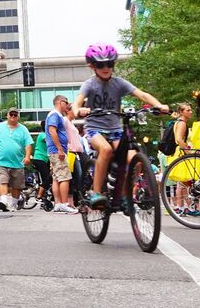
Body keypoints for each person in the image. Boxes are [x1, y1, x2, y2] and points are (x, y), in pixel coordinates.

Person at [72, 43, 167, 210]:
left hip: (115, 130)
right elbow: (77, 101)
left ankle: (125, 195)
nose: (106, 68)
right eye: (101, 64)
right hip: (95, 127)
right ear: (92, 66)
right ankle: (95, 192)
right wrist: (79, 110)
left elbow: (142, 94)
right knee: (106, 150)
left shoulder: (119, 83)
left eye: (110, 64)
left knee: (135, 161)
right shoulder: (90, 84)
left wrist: (159, 105)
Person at [0, 109, 32, 211]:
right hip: (1, 161)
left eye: (15, 114)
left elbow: (28, 144)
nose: (13, 116)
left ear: (18, 117)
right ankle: (4, 201)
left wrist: (27, 156)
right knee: (3, 180)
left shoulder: (23, 129)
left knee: (16, 185)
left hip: (17, 162)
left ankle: (13, 204)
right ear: (7, 115)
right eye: (11, 114)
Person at [38, 96, 76, 213]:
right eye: (66, 102)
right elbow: (52, 130)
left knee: (56, 178)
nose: (68, 104)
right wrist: (60, 149)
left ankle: (58, 203)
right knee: (65, 177)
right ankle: (64, 203)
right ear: (60, 102)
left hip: (55, 151)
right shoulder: (54, 114)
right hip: (57, 151)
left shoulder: (57, 115)